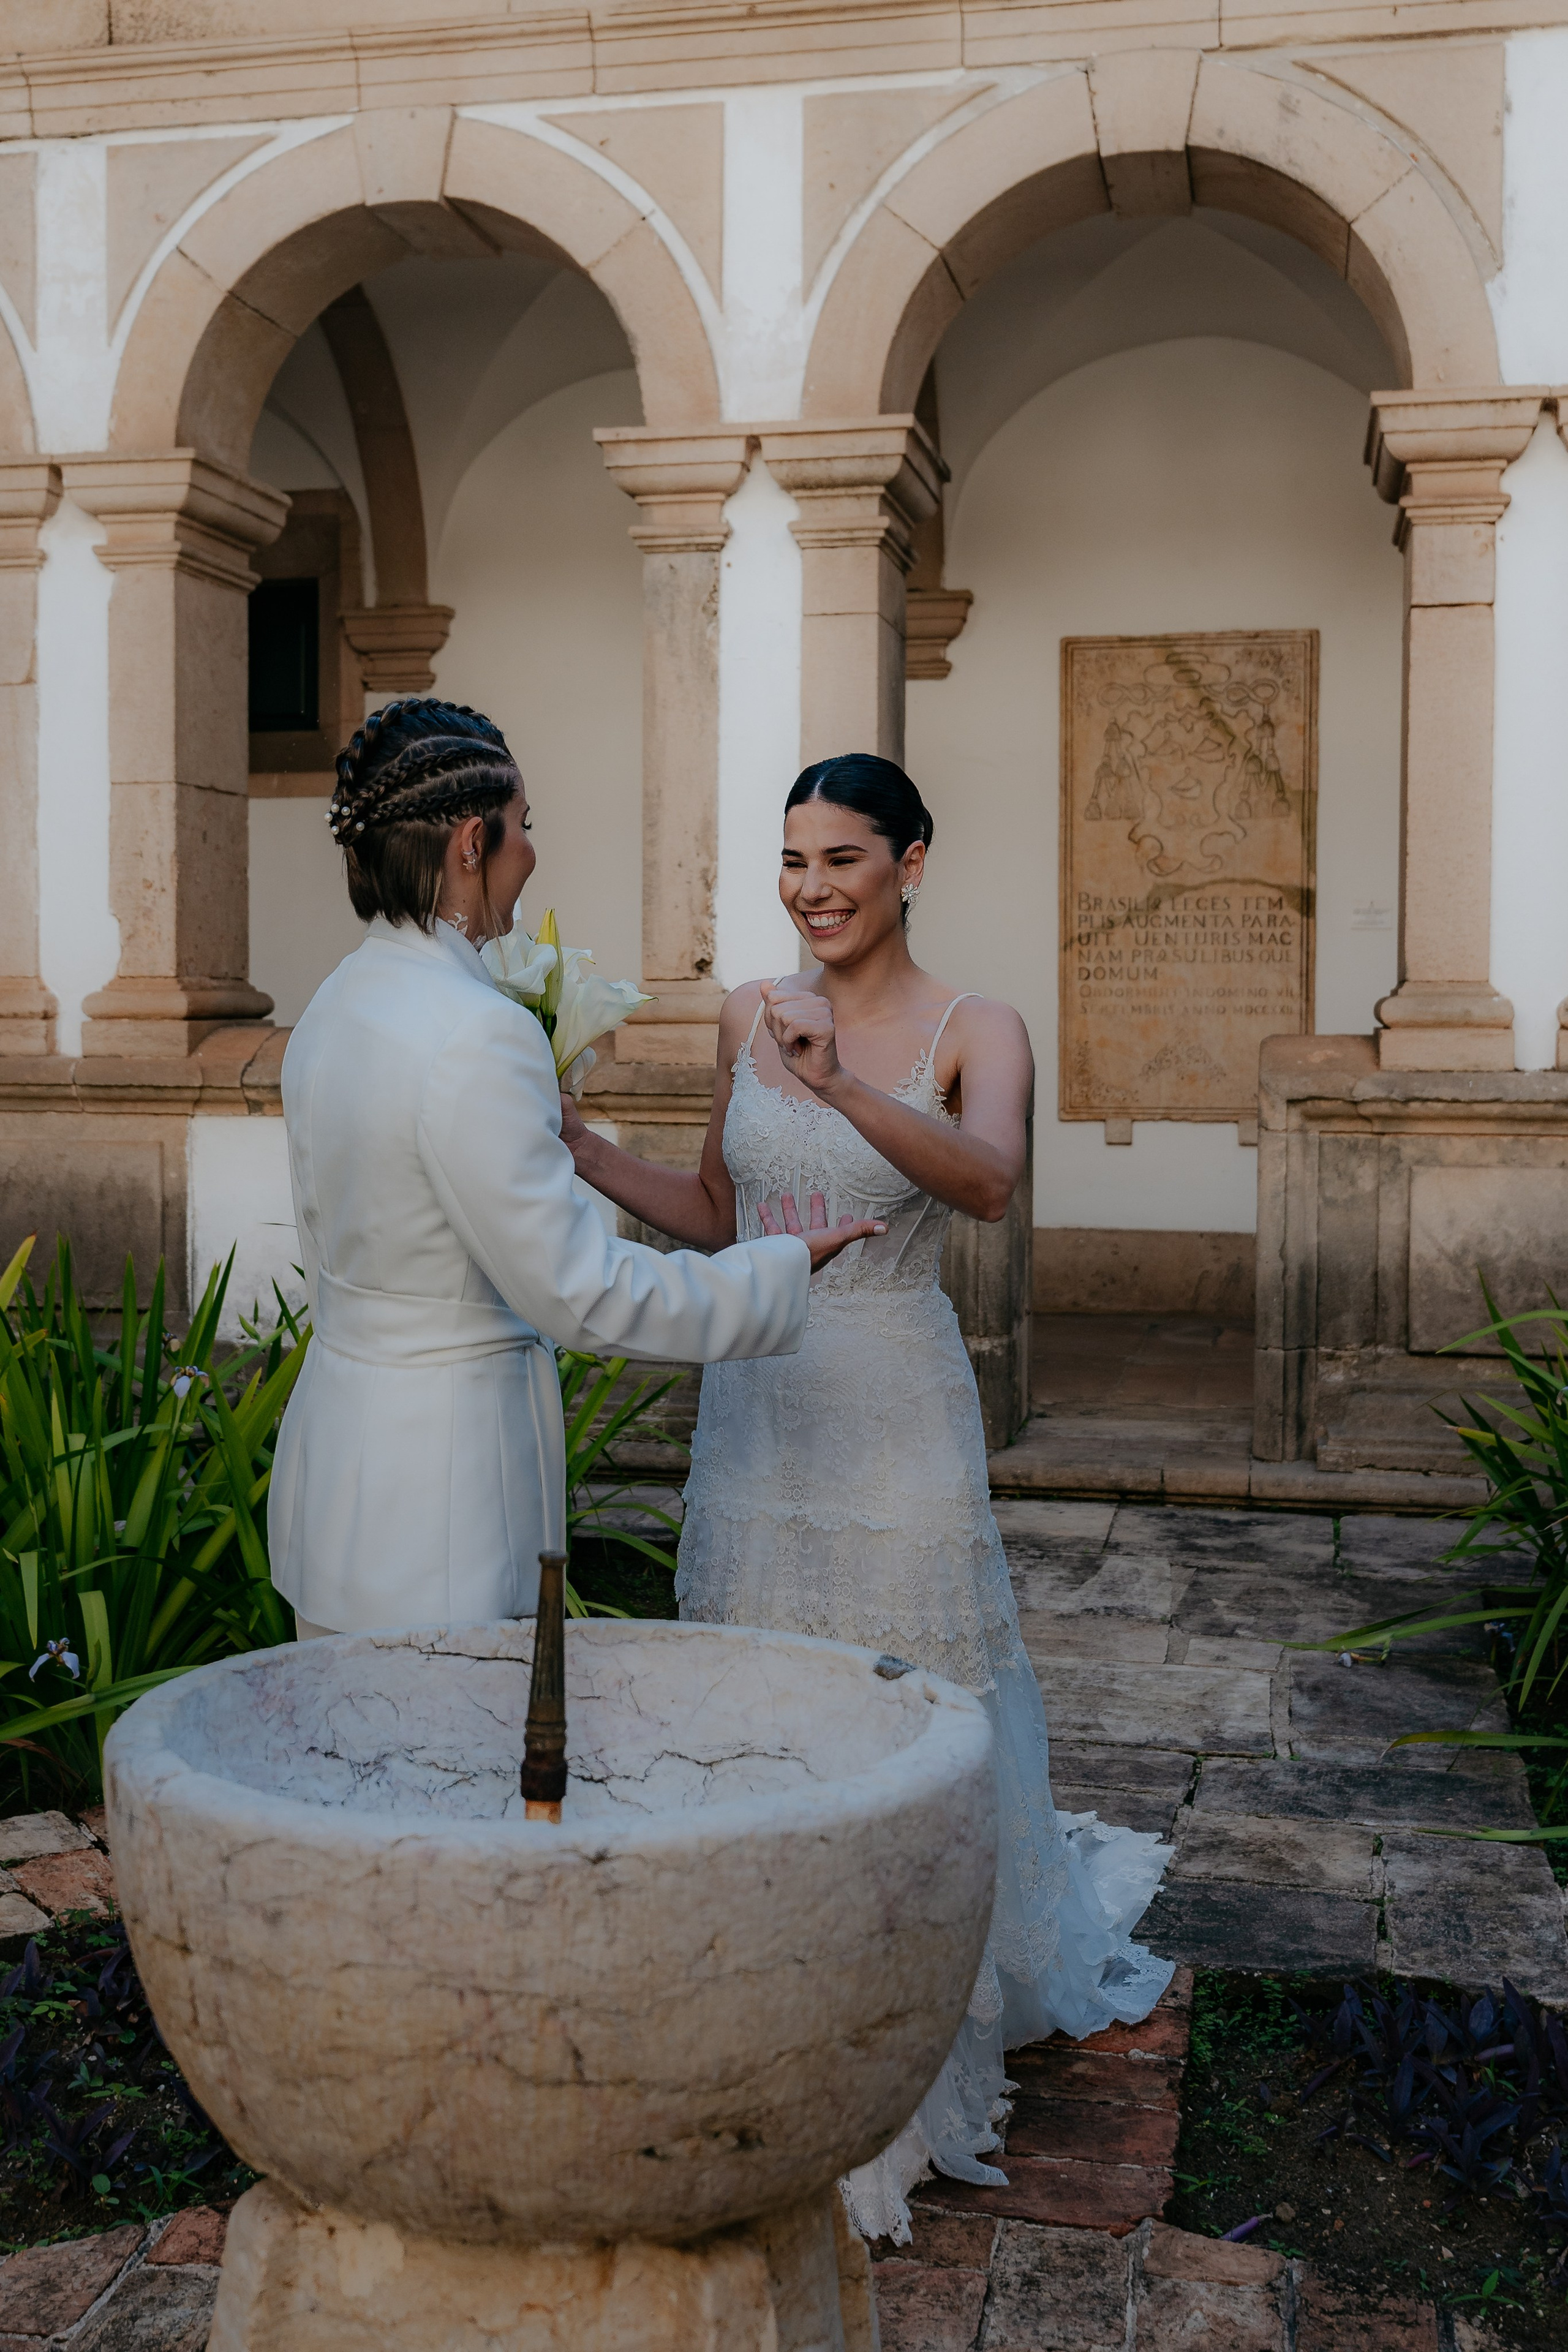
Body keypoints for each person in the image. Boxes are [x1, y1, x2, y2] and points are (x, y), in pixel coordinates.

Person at [559, 752, 1174, 2244]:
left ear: (909, 860)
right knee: (759, 1708)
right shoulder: (740, 1017)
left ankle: (908, 2038)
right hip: (759, 1411)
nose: (811, 888)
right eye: (791, 861)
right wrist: (576, 1153)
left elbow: (986, 1184)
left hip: (895, 1411)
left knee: (910, 1709)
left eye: (840, 858)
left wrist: (837, 1080)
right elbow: (719, 1217)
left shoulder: (979, 1026)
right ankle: (764, 1996)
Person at [268, 701, 881, 1640]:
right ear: (473, 842)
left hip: (338, 1476)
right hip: (444, 1498)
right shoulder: (477, 1034)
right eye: (526, 828)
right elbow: (583, 1294)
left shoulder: (334, 1004)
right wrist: (778, 1268)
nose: (534, 855)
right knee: (452, 1766)